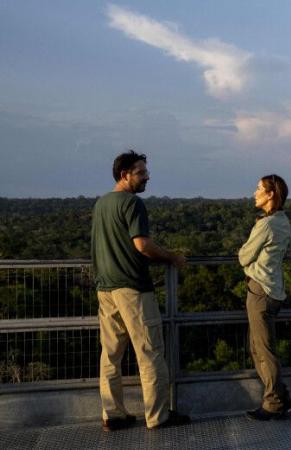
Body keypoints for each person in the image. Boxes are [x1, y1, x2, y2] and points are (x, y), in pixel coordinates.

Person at [91, 150, 190, 431]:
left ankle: (114, 414)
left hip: (106, 288)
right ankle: (158, 415)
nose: (147, 177)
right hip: (133, 287)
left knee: (110, 355)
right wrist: (172, 257)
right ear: (125, 175)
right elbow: (142, 245)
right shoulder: (132, 204)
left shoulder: (101, 204)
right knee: (150, 352)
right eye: (141, 172)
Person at [238, 174, 291, 421]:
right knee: (257, 347)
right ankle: (282, 396)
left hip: (260, 291)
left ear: (271, 194)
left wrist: (249, 254)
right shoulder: (282, 221)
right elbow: (289, 250)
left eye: (259, 188)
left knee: (264, 350)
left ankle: (273, 403)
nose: (255, 193)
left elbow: (243, 257)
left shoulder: (266, 224)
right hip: (274, 290)